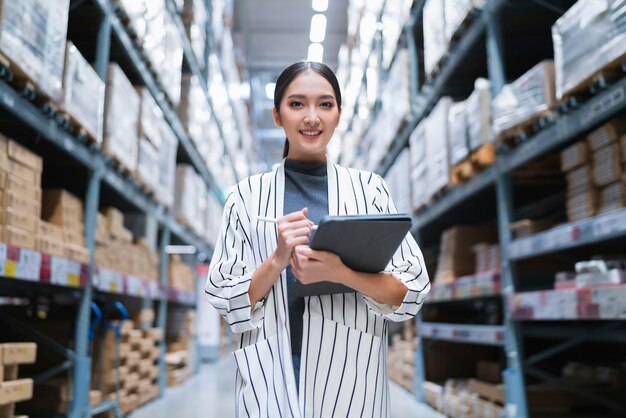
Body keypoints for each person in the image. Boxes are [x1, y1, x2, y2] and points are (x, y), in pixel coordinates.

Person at [205, 61, 430, 418]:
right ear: (278, 116)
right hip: (271, 377)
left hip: (352, 378)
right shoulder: (245, 198)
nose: (312, 117)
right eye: (297, 104)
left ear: (339, 114)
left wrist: (342, 273)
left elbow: (412, 289)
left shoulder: (369, 191)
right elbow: (222, 296)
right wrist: (277, 260)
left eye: (325, 104)